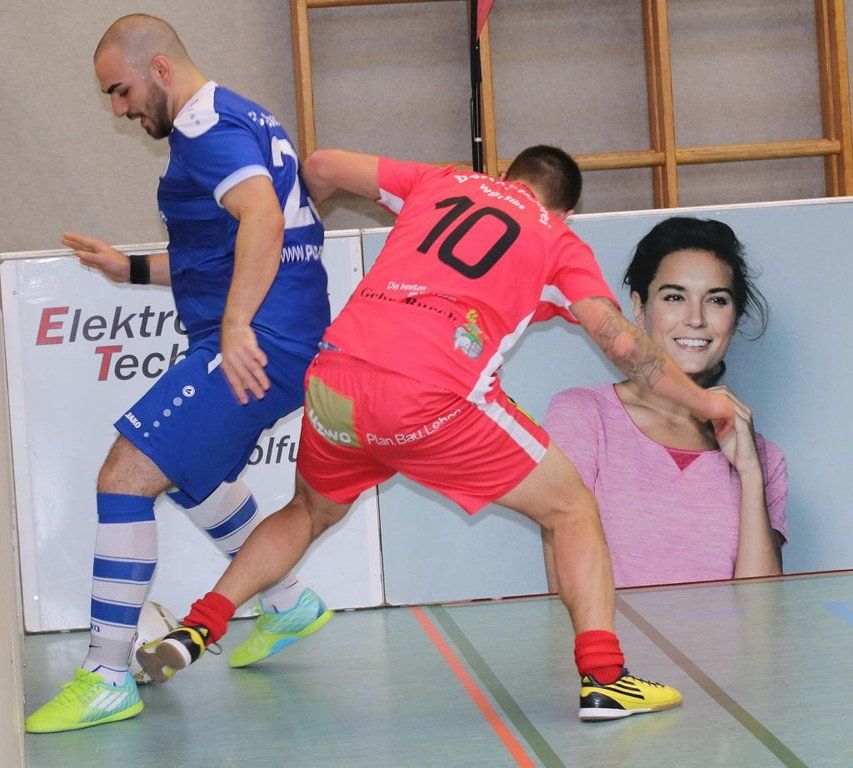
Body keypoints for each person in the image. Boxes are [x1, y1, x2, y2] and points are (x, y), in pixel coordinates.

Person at [140, 145, 737, 721]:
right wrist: (703, 400)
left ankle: (199, 625)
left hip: (336, 379)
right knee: (572, 508)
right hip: (428, 398)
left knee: (307, 511)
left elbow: (320, 164)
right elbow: (625, 344)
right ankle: (605, 680)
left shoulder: (439, 181)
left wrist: (300, 226)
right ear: (566, 210)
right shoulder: (556, 239)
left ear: (503, 176)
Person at [25, 15, 334, 733]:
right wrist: (128, 268)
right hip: (278, 335)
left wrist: (236, 327)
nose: (119, 109)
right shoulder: (240, 115)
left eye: (121, 90)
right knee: (197, 478)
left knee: (125, 477)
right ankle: (287, 603)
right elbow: (218, 253)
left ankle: (107, 675)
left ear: (159, 68)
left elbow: (261, 219)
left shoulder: (206, 130)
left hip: (261, 340)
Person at [543, 216, 787, 589]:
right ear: (640, 308)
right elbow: (567, 594)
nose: (696, 319)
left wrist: (750, 474)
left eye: (717, 300)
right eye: (674, 297)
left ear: (735, 319)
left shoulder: (764, 458)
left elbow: (764, 611)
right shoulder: (583, 418)